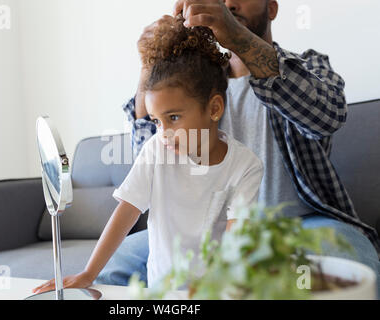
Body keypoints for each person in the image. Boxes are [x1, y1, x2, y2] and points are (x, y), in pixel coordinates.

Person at [96, 0, 380, 293]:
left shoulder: (308, 67)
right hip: (206, 229)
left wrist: (236, 37)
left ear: (271, 8)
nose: (229, 3)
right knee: (110, 270)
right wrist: (154, 59)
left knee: (354, 269)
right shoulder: (196, 86)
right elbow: (150, 151)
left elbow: (328, 117)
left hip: (300, 224)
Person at [32, 16, 263, 292]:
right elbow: (127, 211)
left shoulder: (245, 166)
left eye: (174, 117)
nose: (163, 132)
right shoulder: (157, 150)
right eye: (156, 121)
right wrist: (89, 272)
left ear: (214, 109)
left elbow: (237, 241)